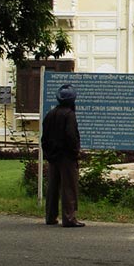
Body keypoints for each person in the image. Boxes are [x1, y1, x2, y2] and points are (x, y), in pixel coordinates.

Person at [41, 84, 84, 228]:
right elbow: (71, 136)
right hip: (66, 157)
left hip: (53, 157)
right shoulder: (69, 115)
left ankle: (50, 216)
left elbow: (44, 138)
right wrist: (75, 152)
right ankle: (69, 217)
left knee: (53, 186)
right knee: (69, 187)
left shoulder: (50, 114)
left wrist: (48, 153)